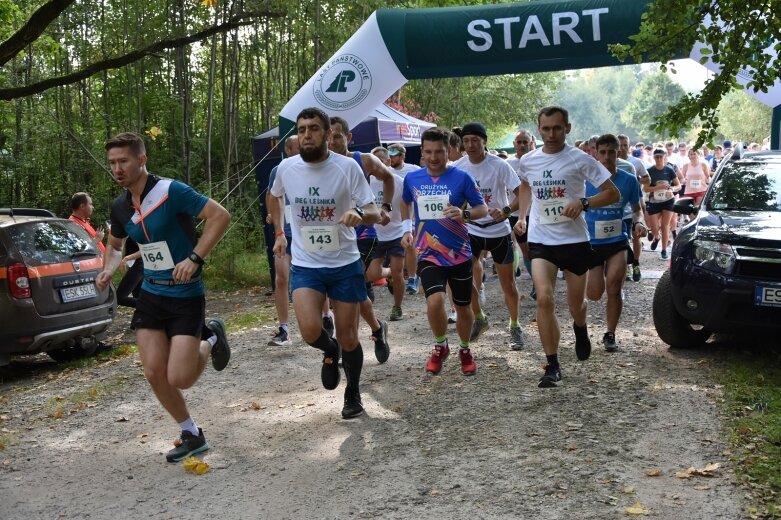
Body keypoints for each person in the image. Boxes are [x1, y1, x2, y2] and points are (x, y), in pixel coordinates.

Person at [96, 132, 231, 462]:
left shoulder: (171, 191)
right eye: (112, 163)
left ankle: (210, 337)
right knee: (154, 371)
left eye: (123, 161)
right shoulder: (120, 206)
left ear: (141, 160)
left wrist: (195, 258)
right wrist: (108, 269)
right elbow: (115, 247)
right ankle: (191, 433)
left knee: (180, 377)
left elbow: (220, 216)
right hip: (152, 294)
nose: (117, 168)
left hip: (186, 295)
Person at [270, 108, 380, 419]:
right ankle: (329, 351)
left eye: (313, 129)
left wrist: (360, 215)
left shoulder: (347, 168)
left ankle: (353, 391)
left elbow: (373, 210)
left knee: (348, 336)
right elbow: (274, 196)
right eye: (302, 129)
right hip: (306, 265)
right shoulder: (286, 169)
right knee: (308, 331)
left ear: (327, 134)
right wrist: (280, 231)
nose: (307, 135)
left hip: (344, 264)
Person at [514, 106, 619, 388]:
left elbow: (612, 193)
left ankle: (580, 327)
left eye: (557, 128)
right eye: (546, 129)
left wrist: (584, 203)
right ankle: (552, 364)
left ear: (567, 129)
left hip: (574, 240)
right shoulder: (529, 160)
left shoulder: (580, 159)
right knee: (544, 298)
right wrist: (522, 216)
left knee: (576, 304)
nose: (551, 134)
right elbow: (525, 186)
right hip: (541, 240)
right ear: (539, 130)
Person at [401, 127, 488, 376]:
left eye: (439, 151)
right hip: (428, 252)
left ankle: (464, 348)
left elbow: (482, 209)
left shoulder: (462, 178)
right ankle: (440, 345)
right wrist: (407, 227)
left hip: (458, 253)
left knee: (462, 307)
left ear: (448, 150)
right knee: (435, 301)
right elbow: (404, 201)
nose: (434, 157)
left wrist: (465, 214)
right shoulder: (413, 178)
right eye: (428, 152)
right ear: (422, 151)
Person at [328, 116, 392, 364]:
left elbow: (388, 177)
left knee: (347, 289)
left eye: (337, 136)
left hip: (363, 233)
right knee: (349, 291)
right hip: (336, 234)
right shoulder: (320, 164)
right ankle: (376, 329)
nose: (332, 141)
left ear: (348, 137)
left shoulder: (363, 160)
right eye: (328, 136)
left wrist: (384, 207)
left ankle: (346, 344)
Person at [453, 122, 524, 350]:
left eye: (476, 140)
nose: (471, 145)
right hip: (471, 229)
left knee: (508, 284)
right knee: (463, 278)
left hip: (498, 230)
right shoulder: (459, 166)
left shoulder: (499, 165)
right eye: (466, 141)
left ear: (484, 141)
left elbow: (521, 193)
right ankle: (480, 317)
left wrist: (505, 211)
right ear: (462, 143)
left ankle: (514, 325)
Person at [585, 134, 646, 352]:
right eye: (602, 152)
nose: (607, 156)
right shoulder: (586, 181)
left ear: (619, 152)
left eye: (612, 151)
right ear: (595, 153)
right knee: (594, 293)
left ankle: (610, 334)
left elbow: (637, 210)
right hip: (592, 242)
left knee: (613, 287)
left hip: (617, 240)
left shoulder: (629, 179)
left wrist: (639, 224)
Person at [265, 135, 300, 346]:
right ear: (288, 150)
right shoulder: (278, 170)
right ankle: (284, 329)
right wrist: (272, 216)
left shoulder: (311, 168)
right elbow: (271, 196)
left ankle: (326, 318)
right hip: (284, 234)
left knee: (317, 278)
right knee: (281, 278)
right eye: (297, 148)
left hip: (306, 235)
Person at [506, 130, 536, 298]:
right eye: (519, 142)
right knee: (524, 250)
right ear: (514, 144)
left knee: (536, 249)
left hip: (535, 213)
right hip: (513, 213)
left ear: (531, 142)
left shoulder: (537, 160)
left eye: (526, 141)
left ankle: (539, 283)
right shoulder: (508, 163)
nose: (522, 145)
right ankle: (535, 282)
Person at [617, 134, 650, 282]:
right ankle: (627, 267)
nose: (622, 148)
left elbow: (648, 179)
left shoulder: (635, 163)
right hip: (619, 207)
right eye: (620, 145)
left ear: (629, 146)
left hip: (635, 201)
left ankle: (635, 262)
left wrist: (635, 180)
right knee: (626, 238)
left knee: (635, 236)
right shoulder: (611, 162)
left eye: (625, 145)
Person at [645, 148, 681, 259]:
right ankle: (656, 237)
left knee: (665, 226)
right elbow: (646, 189)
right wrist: (658, 187)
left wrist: (672, 190)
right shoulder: (649, 171)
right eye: (657, 157)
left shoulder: (669, 170)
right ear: (654, 158)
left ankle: (664, 250)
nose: (659, 159)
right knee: (654, 227)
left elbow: (678, 185)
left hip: (668, 201)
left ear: (664, 157)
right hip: (654, 202)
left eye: (661, 157)